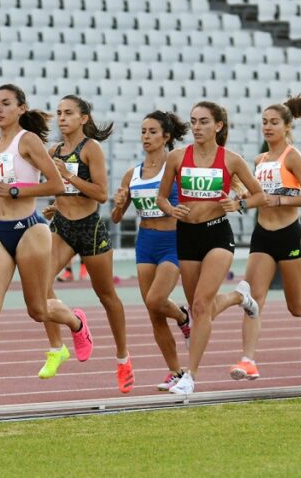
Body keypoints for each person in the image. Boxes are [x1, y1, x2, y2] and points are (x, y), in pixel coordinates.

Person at [0, 84, 82, 402]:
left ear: (21, 108)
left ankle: (76, 321)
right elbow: (2, 183)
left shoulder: (29, 140)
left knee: (37, 310)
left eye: (6, 104)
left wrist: (13, 192)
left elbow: (56, 184)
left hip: (29, 230)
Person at [225, 97, 301, 381]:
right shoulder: (259, 160)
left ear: (287, 126)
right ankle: (248, 359)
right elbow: (256, 197)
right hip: (262, 236)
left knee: (297, 306)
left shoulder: (292, 156)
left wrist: (278, 201)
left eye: (274, 122)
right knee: (253, 298)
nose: (267, 127)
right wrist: (241, 201)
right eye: (264, 122)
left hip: (290, 235)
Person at [156, 101, 265, 394]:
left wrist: (238, 203)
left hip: (217, 235)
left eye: (203, 122)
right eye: (193, 122)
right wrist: (171, 209)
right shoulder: (177, 157)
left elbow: (259, 196)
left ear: (218, 125)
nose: (196, 127)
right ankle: (238, 297)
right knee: (198, 308)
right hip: (187, 235)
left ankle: (190, 376)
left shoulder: (231, 160)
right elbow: (162, 198)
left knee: (202, 305)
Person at [38, 95, 132, 392]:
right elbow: (58, 186)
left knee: (107, 296)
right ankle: (58, 346)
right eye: (59, 113)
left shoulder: (91, 149)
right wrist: (56, 202)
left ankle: (122, 358)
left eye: (68, 113)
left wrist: (68, 177)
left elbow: (101, 194)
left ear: (83, 119)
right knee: (39, 285)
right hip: (63, 227)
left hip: (90, 229)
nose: (62, 118)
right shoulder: (53, 150)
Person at [110, 110, 192, 391]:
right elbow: (116, 217)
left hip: (172, 241)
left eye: (153, 131)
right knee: (154, 312)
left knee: (157, 299)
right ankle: (175, 372)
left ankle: (183, 317)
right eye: (143, 131)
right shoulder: (132, 173)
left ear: (166, 136)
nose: (146, 137)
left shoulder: (176, 166)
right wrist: (120, 202)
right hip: (145, 243)